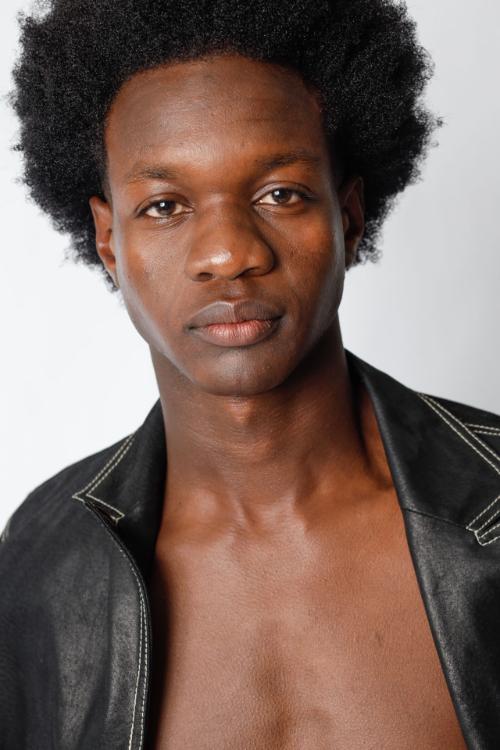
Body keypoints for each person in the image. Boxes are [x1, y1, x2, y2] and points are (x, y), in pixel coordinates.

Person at [1, 0, 499, 748]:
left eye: (280, 194)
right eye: (164, 206)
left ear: (348, 216)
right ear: (108, 242)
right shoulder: (42, 564)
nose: (229, 253)